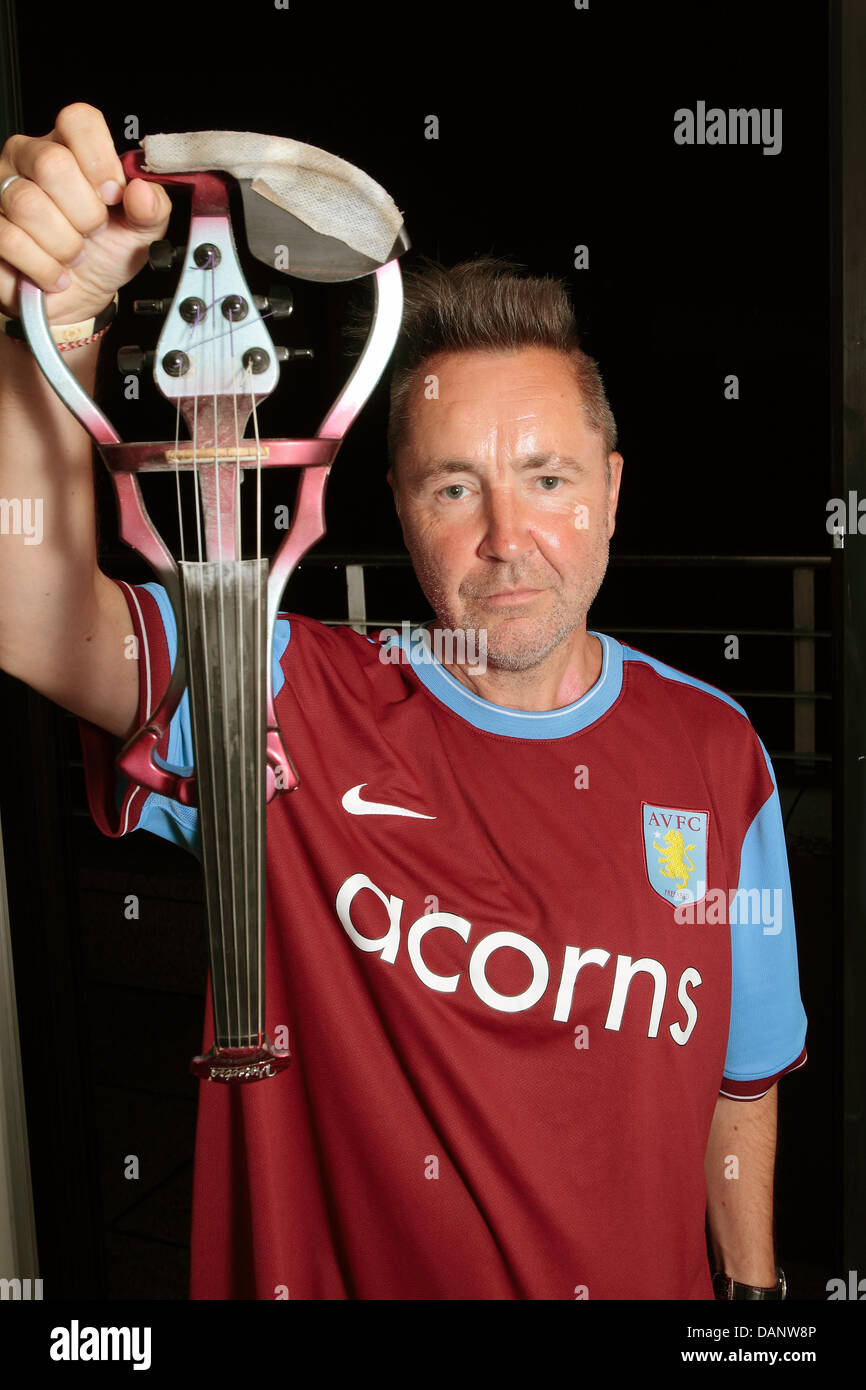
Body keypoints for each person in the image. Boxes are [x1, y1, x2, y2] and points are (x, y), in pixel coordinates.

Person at [0, 103, 807, 1301]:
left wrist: (752, 1300)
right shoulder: (282, 698)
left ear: (612, 490)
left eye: (546, 479)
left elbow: (743, 1077)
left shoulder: (719, 755)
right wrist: (53, 325)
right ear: (393, 504)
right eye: (451, 487)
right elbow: (27, 603)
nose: (504, 539)